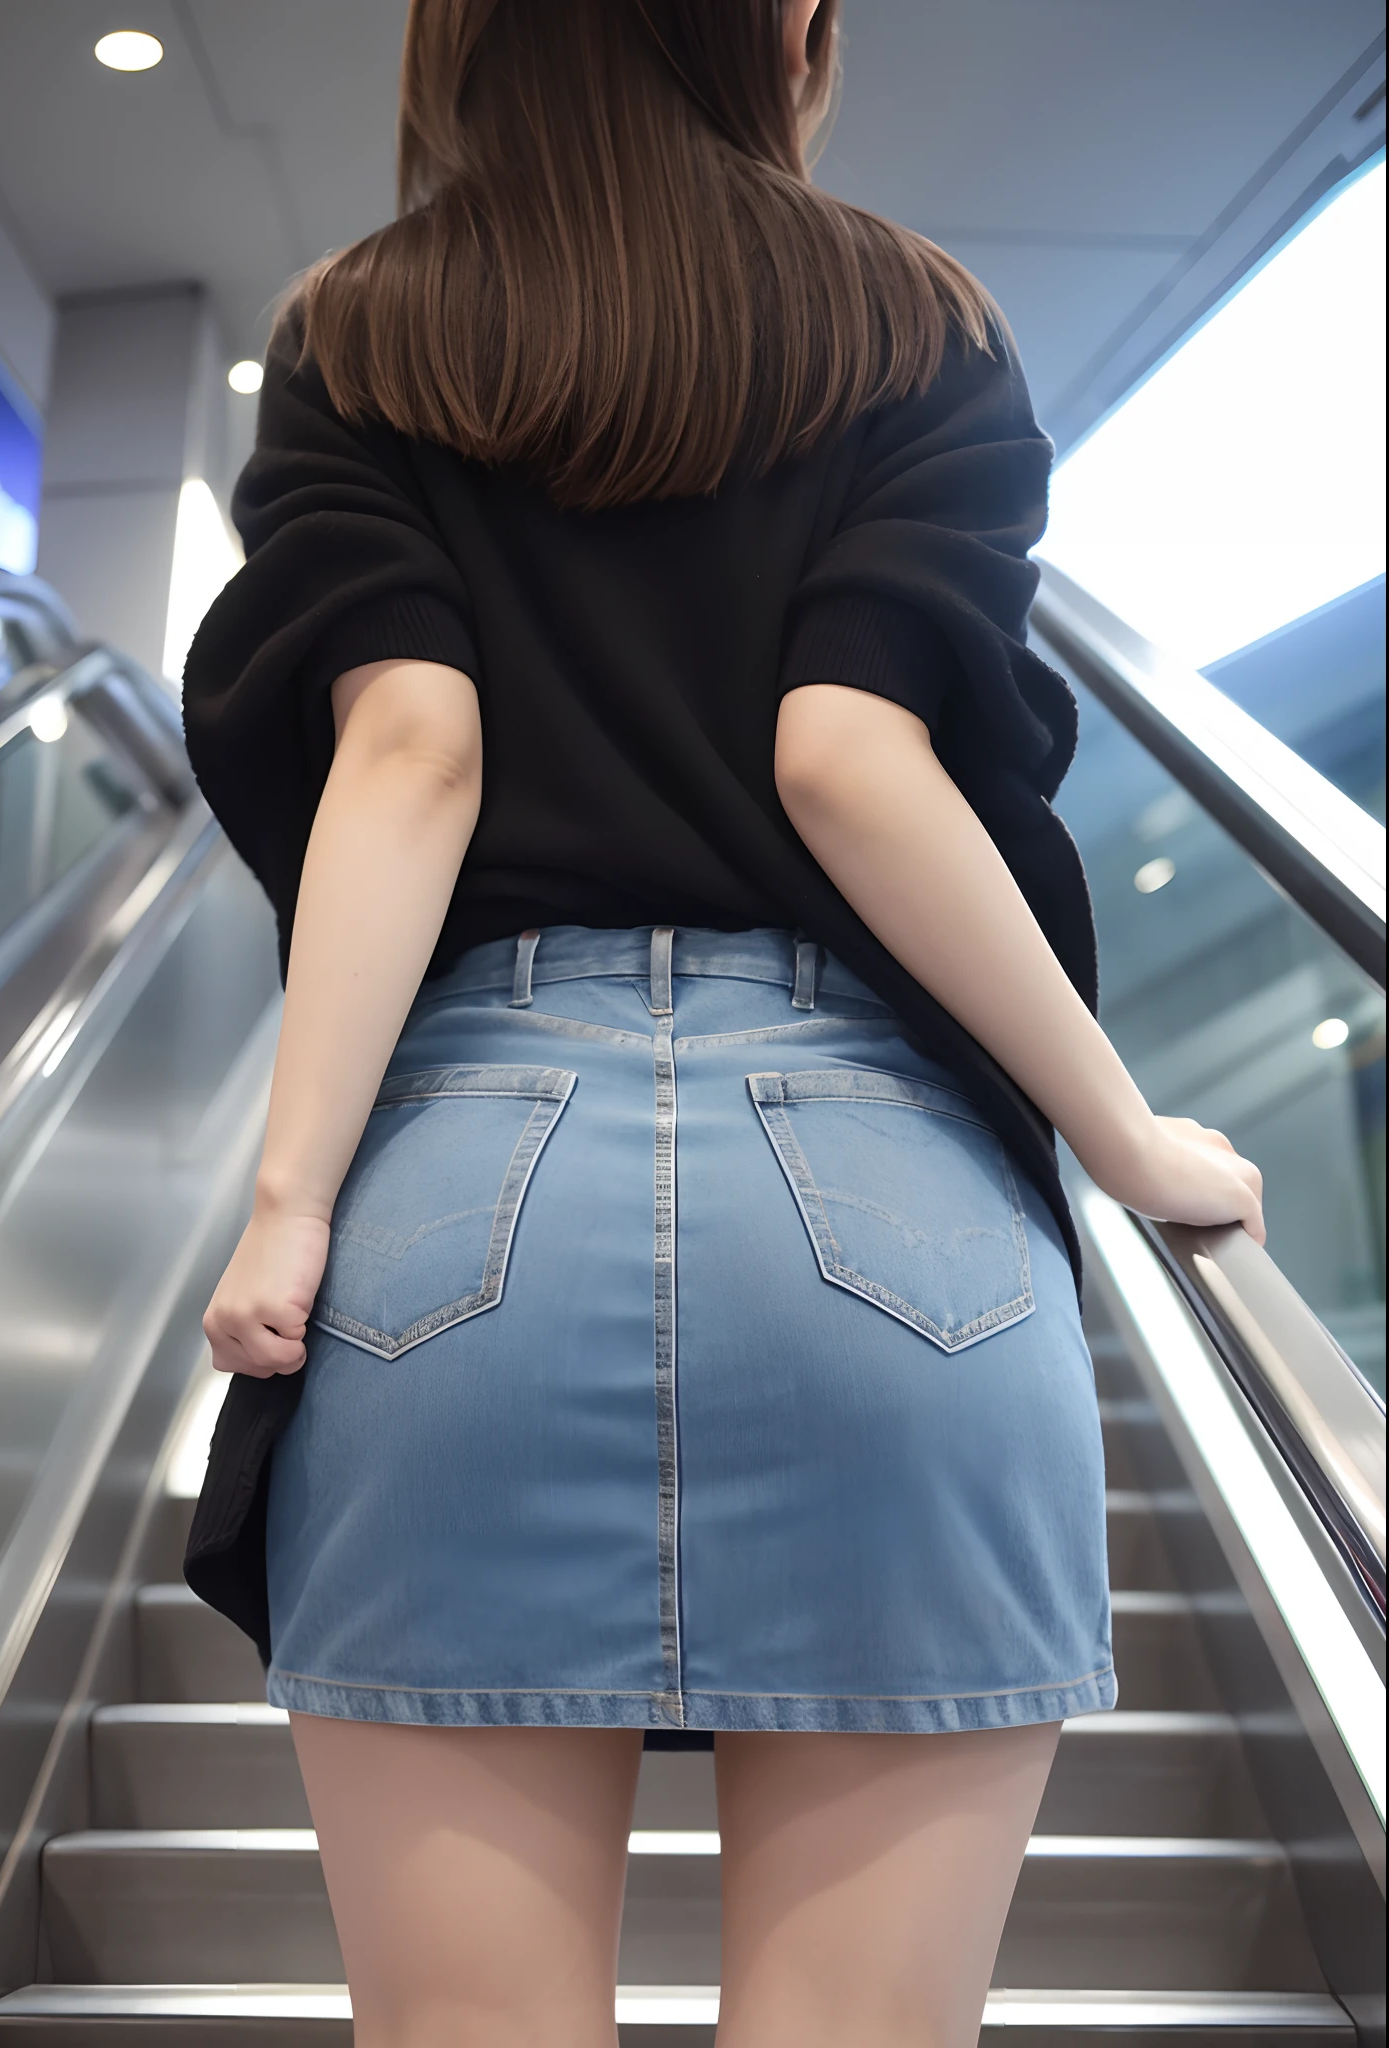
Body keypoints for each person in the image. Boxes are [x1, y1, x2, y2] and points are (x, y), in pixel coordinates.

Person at [181, 2, 1265, 2041]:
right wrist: (1130, 1141)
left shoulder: (363, 327)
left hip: (460, 1199)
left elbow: (410, 750)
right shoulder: (915, 321)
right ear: (779, 25)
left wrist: (289, 1203)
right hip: (888, 1202)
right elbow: (852, 759)